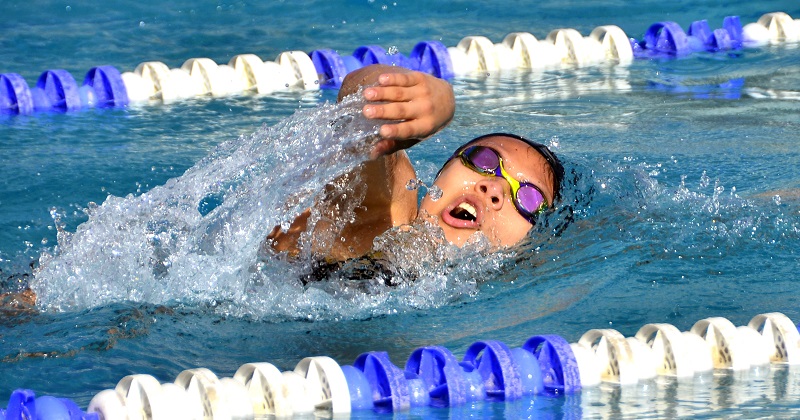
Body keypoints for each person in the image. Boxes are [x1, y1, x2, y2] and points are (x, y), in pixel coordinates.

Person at [267, 64, 564, 267]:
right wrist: (430, 98)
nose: (493, 186)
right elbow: (358, 113)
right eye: (483, 160)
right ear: (440, 176)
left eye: (528, 198)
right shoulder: (392, 212)